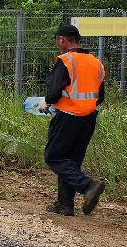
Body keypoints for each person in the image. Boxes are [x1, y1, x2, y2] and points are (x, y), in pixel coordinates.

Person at [40, 22, 106, 216]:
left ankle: (88, 186)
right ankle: (65, 204)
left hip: (68, 117)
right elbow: (100, 95)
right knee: (71, 161)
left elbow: (54, 90)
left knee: (53, 156)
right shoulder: (96, 62)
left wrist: (47, 102)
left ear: (62, 40)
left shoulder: (65, 60)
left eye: (57, 41)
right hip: (88, 118)